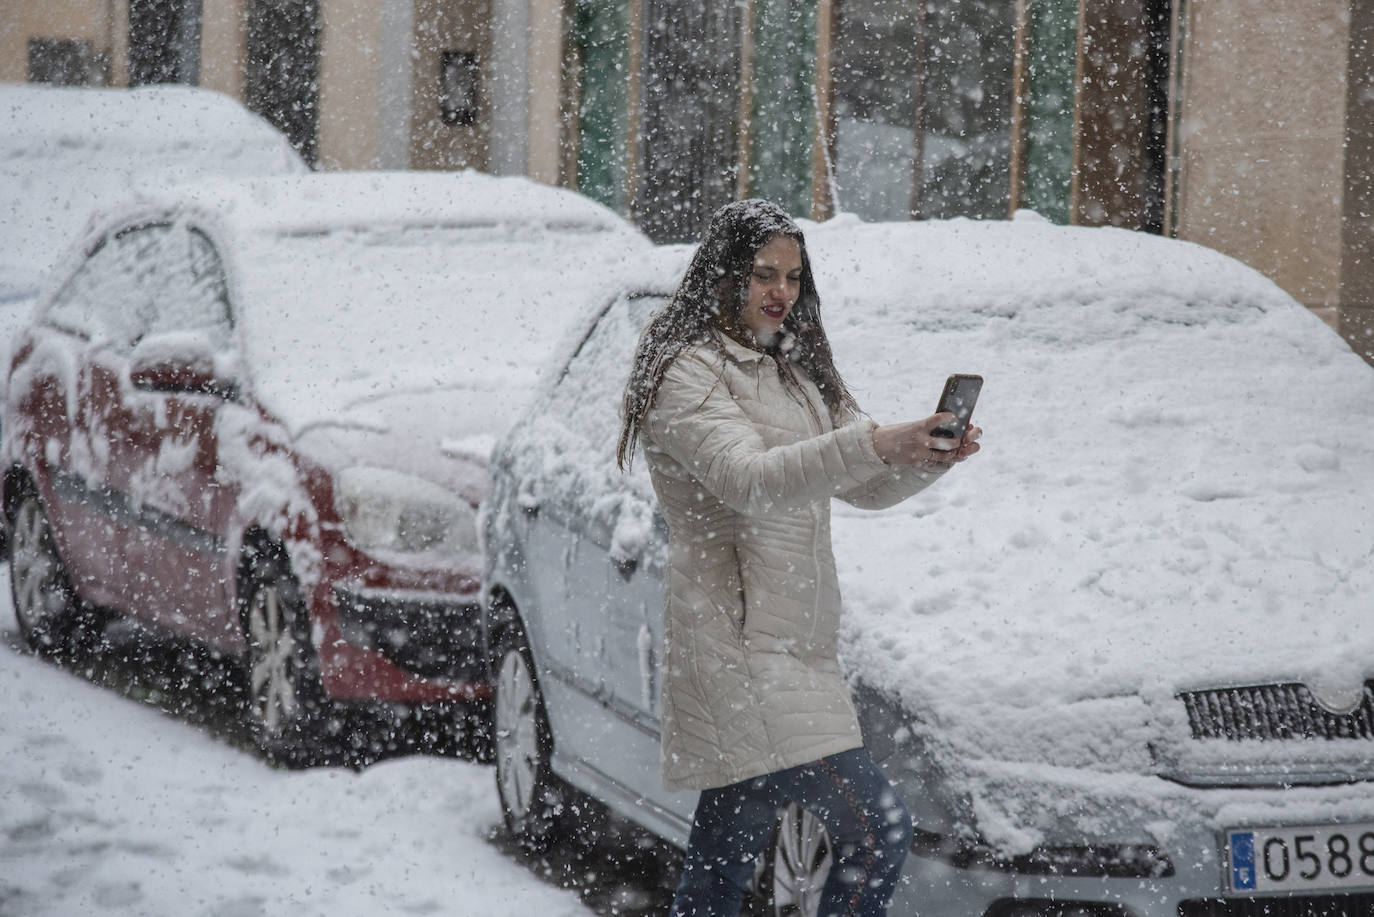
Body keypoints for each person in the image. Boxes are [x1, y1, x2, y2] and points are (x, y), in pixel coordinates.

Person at [615, 199, 981, 917]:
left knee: (722, 868)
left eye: (791, 274)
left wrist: (923, 454)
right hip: (741, 644)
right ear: (723, 274)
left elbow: (862, 483)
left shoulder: (792, 371)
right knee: (876, 828)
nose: (780, 291)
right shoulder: (685, 373)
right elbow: (749, 479)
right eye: (762, 274)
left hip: (794, 643)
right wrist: (877, 441)